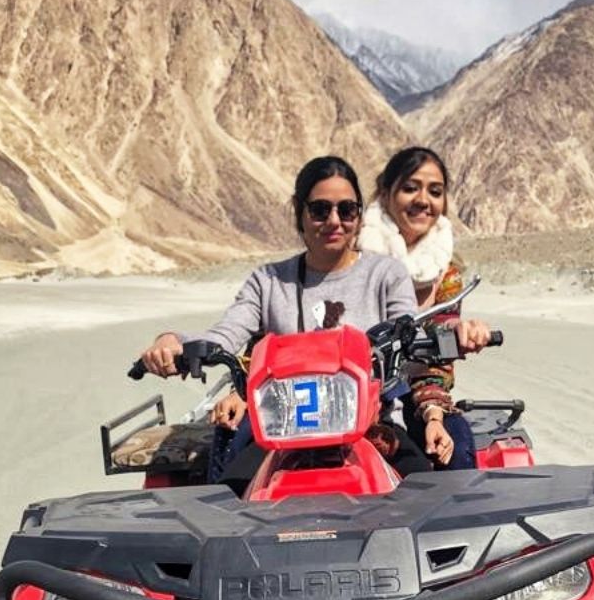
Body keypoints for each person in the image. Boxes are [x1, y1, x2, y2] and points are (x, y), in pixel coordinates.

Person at [140, 155, 491, 493]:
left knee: (428, 501)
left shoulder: (386, 274)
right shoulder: (268, 281)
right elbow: (226, 334)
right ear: (300, 213)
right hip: (279, 431)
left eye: (347, 209)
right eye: (321, 209)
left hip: (371, 425)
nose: (335, 220)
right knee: (230, 497)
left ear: (359, 215)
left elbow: (408, 329)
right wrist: (174, 342)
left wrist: (452, 336)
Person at [358, 146, 478, 470]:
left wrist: (433, 415)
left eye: (435, 191)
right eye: (411, 188)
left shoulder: (445, 274)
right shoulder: (352, 256)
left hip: (414, 390)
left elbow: (437, 356)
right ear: (386, 193)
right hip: (347, 392)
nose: (423, 200)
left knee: (456, 450)